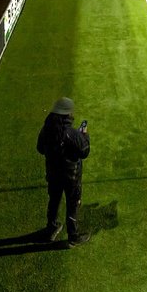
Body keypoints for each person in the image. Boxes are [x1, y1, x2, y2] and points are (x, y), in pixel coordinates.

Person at [36, 97, 90, 247]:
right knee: (73, 204)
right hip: (71, 176)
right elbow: (84, 151)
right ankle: (73, 236)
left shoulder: (46, 129)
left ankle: (51, 228)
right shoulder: (71, 134)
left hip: (53, 174)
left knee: (54, 200)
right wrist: (84, 135)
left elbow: (40, 149)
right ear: (67, 114)